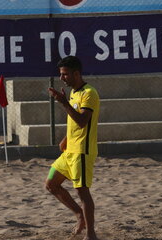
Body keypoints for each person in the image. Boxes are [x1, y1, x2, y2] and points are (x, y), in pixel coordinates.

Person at [45, 56, 100, 240]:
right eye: (61, 74)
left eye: (65, 74)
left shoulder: (89, 93)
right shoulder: (74, 93)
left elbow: (83, 121)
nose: (62, 78)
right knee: (51, 184)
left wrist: (63, 103)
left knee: (82, 192)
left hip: (82, 151)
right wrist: (66, 139)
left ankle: (91, 235)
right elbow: (75, 121)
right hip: (70, 150)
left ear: (76, 73)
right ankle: (79, 215)